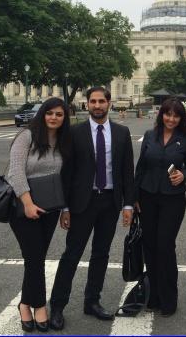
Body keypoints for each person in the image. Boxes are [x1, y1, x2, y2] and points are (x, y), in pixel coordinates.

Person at [49, 86, 135, 330]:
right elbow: (66, 173)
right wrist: (64, 207)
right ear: (87, 104)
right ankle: (57, 306)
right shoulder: (75, 133)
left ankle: (92, 301)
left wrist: (128, 204)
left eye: (101, 101)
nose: (97, 105)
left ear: (109, 103)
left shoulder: (121, 132)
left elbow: (127, 172)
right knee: (71, 256)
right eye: (93, 101)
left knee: (101, 254)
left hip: (109, 202)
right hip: (80, 204)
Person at [7, 97, 71, 332]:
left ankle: (24, 303)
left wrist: (65, 208)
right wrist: (27, 202)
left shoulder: (64, 141)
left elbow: (64, 179)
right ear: (42, 114)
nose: (54, 117)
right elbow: (15, 172)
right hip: (24, 208)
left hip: (50, 208)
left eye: (59, 114)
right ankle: (39, 305)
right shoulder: (27, 136)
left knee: (35, 259)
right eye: (50, 113)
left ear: (65, 118)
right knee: (34, 257)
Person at [134, 97, 186, 316]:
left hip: (173, 199)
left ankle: (169, 298)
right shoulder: (150, 136)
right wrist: (134, 197)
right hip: (147, 196)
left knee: (165, 246)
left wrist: (184, 175)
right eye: (168, 114)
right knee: (149, 245)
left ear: (181, 118)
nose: (171, 119)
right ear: (162, 115)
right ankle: (154, 295)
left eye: (176, 115)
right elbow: (140, 167)